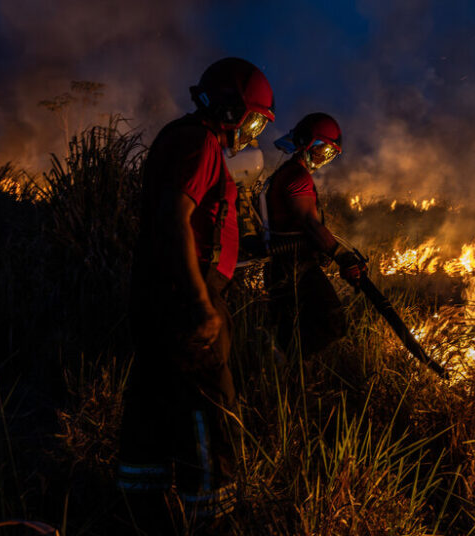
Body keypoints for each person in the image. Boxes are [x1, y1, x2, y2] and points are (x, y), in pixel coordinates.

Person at [117, 57, 274, 535]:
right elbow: (174, 218)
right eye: (252, 121)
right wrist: (201, 304)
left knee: (154, 402)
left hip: (161, 295)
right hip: (186, 299)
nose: (250, 133)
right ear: (231, 108)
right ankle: (212, 520)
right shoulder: (199, 143)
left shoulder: (181, 137)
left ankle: (144, 515)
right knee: (209, 407)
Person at [262, 113, 366, 358]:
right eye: (322, 149)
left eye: (329, 153)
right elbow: (310, 224)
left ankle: (293, 377)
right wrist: (344, 257)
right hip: (293, 267)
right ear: (306, 143)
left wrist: (320, 250)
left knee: (294, 326)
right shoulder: (296, 177)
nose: (324, 158)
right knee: (331, 321)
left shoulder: (290, 173)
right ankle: (292, 372)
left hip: (289, 265)